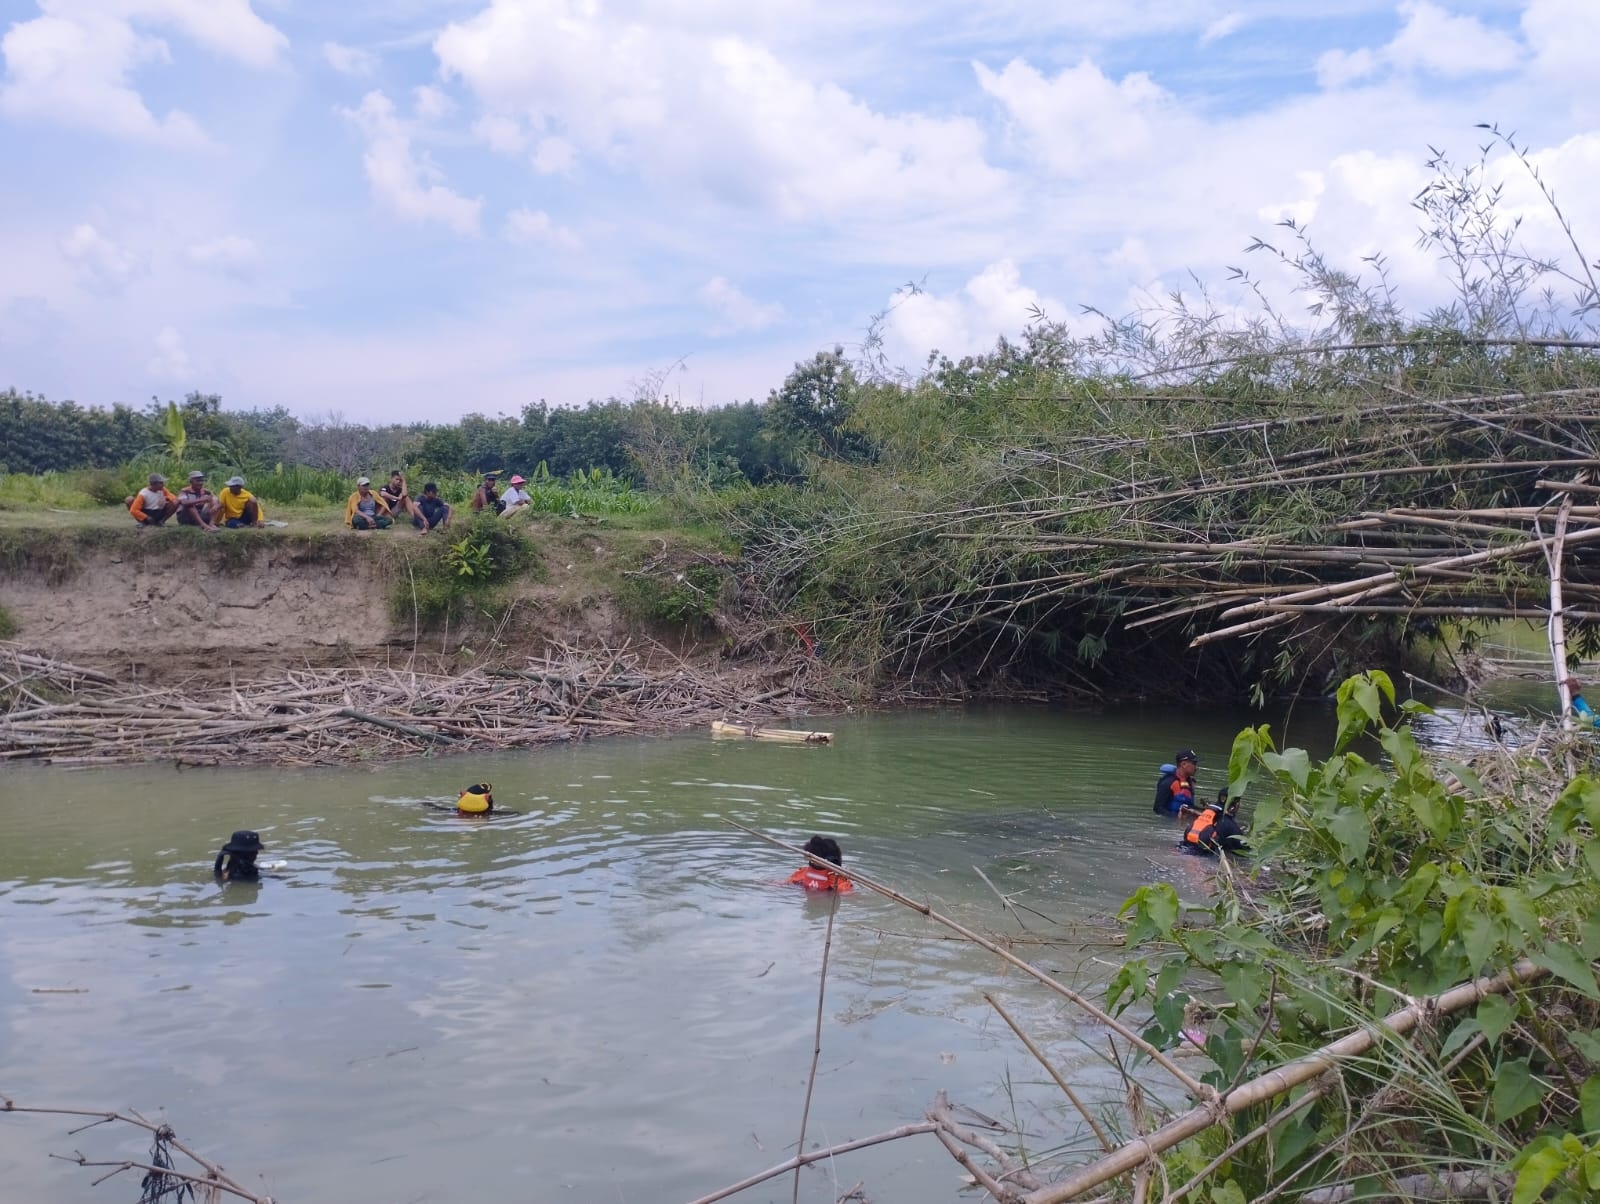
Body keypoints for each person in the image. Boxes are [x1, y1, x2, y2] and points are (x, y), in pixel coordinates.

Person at [1183, 791, 1250, 855]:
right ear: (1235, 805)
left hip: (1184, 848)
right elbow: (1243, 852)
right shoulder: (1229, 824)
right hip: (1204, 858)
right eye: (1239, 803)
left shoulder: (1206, 813)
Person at [789, 835, 853, 892]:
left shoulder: (802, 872)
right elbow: (847, 893)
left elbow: (784, 884)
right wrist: (846, 878)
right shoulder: (836, 879)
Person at [1153, 750, 1200, 818]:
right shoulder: (1168, 782)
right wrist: (1176, 818)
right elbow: (1158, 809)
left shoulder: (1190, 782)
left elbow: (1189, 805)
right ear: (1184, 764)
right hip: (1170, 824)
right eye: (1194, 763)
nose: (1196, 768)